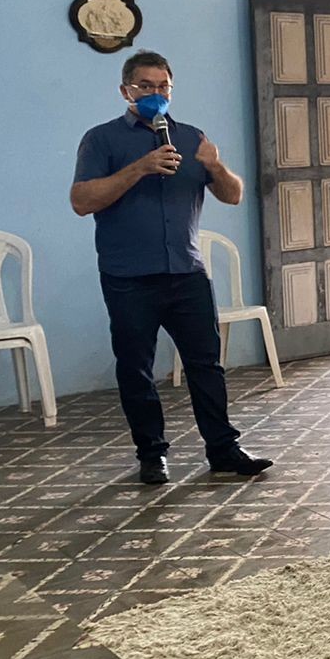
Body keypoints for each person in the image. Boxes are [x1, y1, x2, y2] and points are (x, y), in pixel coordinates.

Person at [70, 51, 272, 486]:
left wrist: (216, 166)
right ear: (126, 91)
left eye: (163, 86)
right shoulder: (101, 140)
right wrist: (140, 168)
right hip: (129, 278)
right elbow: (82, 201)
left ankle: (224, 449)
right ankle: (152, 455)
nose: (156, 94)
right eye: (146, 86)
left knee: (206, 366)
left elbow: (233, 195)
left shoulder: (191, 137)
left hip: (186, 272)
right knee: (136, 368)